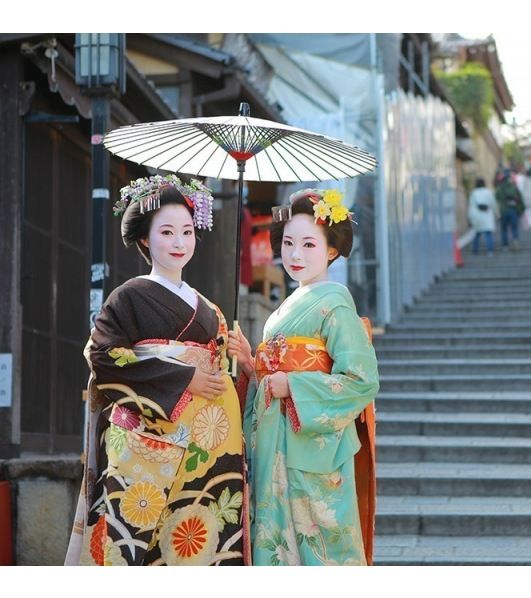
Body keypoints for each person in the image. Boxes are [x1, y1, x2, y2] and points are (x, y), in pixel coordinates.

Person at [65, 175, 248, 566]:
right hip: (145, 440)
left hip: (207, 445)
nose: (180, 242)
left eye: (187, 231)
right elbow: (104, 356)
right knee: (136, 538)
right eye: (167, 232)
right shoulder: (127, 297)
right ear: (145, 240)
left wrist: (240, 361)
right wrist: (184, 377)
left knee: (196, 538)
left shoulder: (210, 309)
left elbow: (224, 378)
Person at [227, 188, 380, 566]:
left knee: (322, 549)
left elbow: (361, 380)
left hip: (313, 447)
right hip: (274, 444)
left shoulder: (334, 304)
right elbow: (269, 380)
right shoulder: (282, 310)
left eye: (309, 244)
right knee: (275, 542)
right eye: (289, 243)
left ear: (331, 250)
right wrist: (251, 364)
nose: (296, 255)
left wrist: (293, 384)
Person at [495, 169, 525, 251]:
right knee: (514, 227)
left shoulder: (499, 188)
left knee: (504, 228)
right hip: (513, 210)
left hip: (503, 210)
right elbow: (520, 199)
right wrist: (522, 210)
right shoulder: (514, 187)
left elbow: (496, 198)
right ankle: (515, 240)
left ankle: (505, 245)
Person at [467, 177, 499, 255]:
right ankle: (490, 251)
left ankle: (475, 251)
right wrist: (497, 214)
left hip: (477, 216)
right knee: (488, 234)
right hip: (487, 215)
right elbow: (493, 203)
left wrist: (470, 218)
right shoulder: (488, 192)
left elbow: (471, 206)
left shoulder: (473, 193)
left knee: (477, 234)